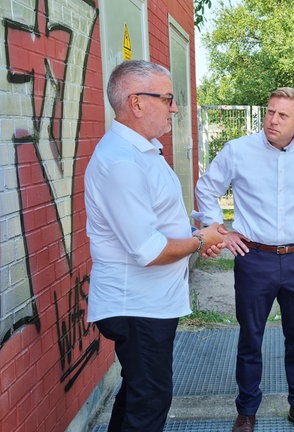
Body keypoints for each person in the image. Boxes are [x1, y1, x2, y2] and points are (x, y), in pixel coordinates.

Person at [192, 87, 294, 432]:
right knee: (251, 337)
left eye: (282, 115)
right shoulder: (238, 151)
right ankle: (246, 411)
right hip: (254, 258)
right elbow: (206, 188)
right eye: (270, 112)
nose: (272, 120)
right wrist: (220, 230)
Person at [84, 59, 226, 432]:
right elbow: (148, 251)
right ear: (136, 103)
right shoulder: (121, 162)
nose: (174, 107)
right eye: (167, 99)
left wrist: (196, 230)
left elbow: (156, 219)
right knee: (149, 402)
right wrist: (199, 240)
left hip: (150, 302)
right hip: (138, 305)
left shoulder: (141, 151)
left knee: (138, 395)